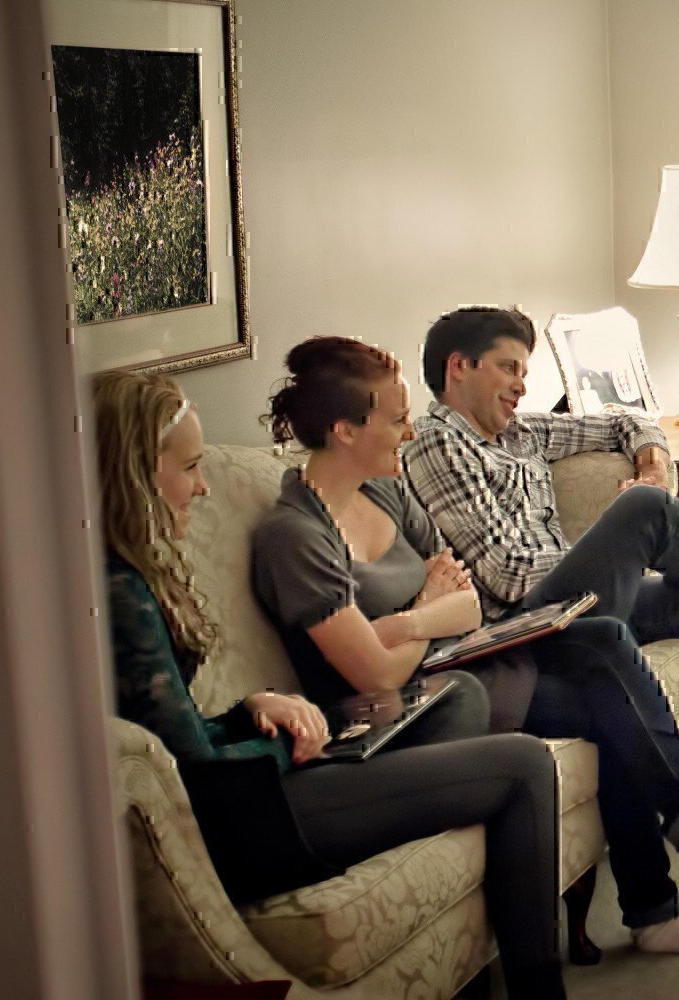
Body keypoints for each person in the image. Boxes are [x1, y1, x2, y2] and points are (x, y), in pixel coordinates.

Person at [250, 337, 679, 959]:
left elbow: (465, 603)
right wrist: (426, 613)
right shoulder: (294, 536)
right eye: (396, 420)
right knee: (611, 680)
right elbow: (377, 675)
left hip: (467, 660)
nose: (409, 433)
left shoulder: (383, 491)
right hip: (416, 712)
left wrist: (403, 624)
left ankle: (670, 882)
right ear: (345, 430)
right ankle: (676, 863)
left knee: (607, 645)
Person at [92, 370, 573, 1000]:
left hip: (256, 789)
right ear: (137, 474)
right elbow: (194, 776)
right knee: (523, 764)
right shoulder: (121, 594)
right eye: (188, 468)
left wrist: (252, 708)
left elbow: (175, 733)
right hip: (251, 824)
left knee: (461, 697)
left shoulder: (130, 574)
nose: (202, 486)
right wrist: (285, 744)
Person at [403, 306, 679, 775]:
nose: (521, 385)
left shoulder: (523, 432)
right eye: (508, 368)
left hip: (576, 604)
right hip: (522, 628)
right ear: (459, 367)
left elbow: (627, 420)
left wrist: (651, 465)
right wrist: (608, 554)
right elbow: (509, 576)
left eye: (524, 372)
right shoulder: (436, 442)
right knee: (642, 508)